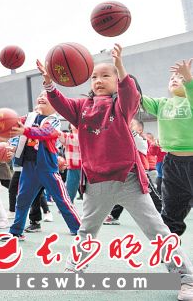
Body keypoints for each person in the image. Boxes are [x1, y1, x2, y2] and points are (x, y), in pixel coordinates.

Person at [41, 46, 193, 301]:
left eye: (105, 76)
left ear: (117, 81)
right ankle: (75, 267)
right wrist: (49, 85)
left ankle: (186, 279)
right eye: (94, 77)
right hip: (96, 183)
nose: (98, 81)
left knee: (159, 231)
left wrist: (120, 66)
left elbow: (131, 93)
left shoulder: (122, 105)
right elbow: (63, 104)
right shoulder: (82, 107)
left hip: (129, 180)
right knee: (86, 230)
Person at [6, 92, 80, 239]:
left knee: (62, 199)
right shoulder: (28, 118)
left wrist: (25, 130)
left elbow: (45, 132)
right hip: (28, 166)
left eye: (46, 96)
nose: (41, 97)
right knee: (22, 200)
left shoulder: (53, 120)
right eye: (40, 95)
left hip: (47, 167)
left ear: (56, 106)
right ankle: (16, 231)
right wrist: (11, 147)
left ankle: (78, 229)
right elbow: (13, 128)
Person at [141, 58, 193, 240]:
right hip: (172, 163)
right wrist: (120, 73)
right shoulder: (162, 103)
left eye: (179, 77)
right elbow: (137, 96)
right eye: (172, 77)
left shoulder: (190, 101)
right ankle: (170, 251)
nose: (174, 79)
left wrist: (188, 79)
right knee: (170, 214)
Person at [60, 126, 82, 204]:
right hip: (76, 167)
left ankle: (68, 205)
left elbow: (58, 134)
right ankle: (68, 204)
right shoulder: (68, 136)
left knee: (70, 189)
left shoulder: (68, 137)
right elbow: (58, 134)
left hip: (81, 168)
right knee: (70, 189)